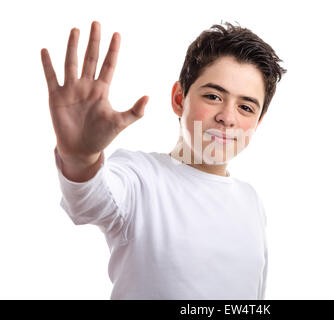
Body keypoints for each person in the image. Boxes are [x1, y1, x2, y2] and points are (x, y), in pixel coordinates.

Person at [41, 20, 286, 299]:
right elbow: (87, 201)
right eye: (213, 96)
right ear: (179, 99)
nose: (227, 118)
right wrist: (81, 158)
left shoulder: (251, 200)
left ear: (258, 121)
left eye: (245, 107)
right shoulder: (140, 176)